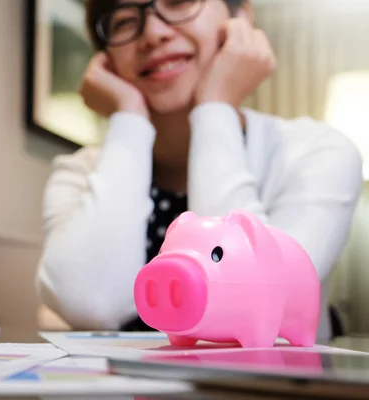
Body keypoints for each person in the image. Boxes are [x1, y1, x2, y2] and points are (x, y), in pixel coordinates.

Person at [35, 0, 363, 341]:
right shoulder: (80, 172)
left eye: (178, 2)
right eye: (123, 21)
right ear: (107, 59)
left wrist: (215, 106)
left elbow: (262, 294)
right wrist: (128, 118)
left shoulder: (316, 152)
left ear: (241, 19)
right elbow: (91, 306)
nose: (153, 33)